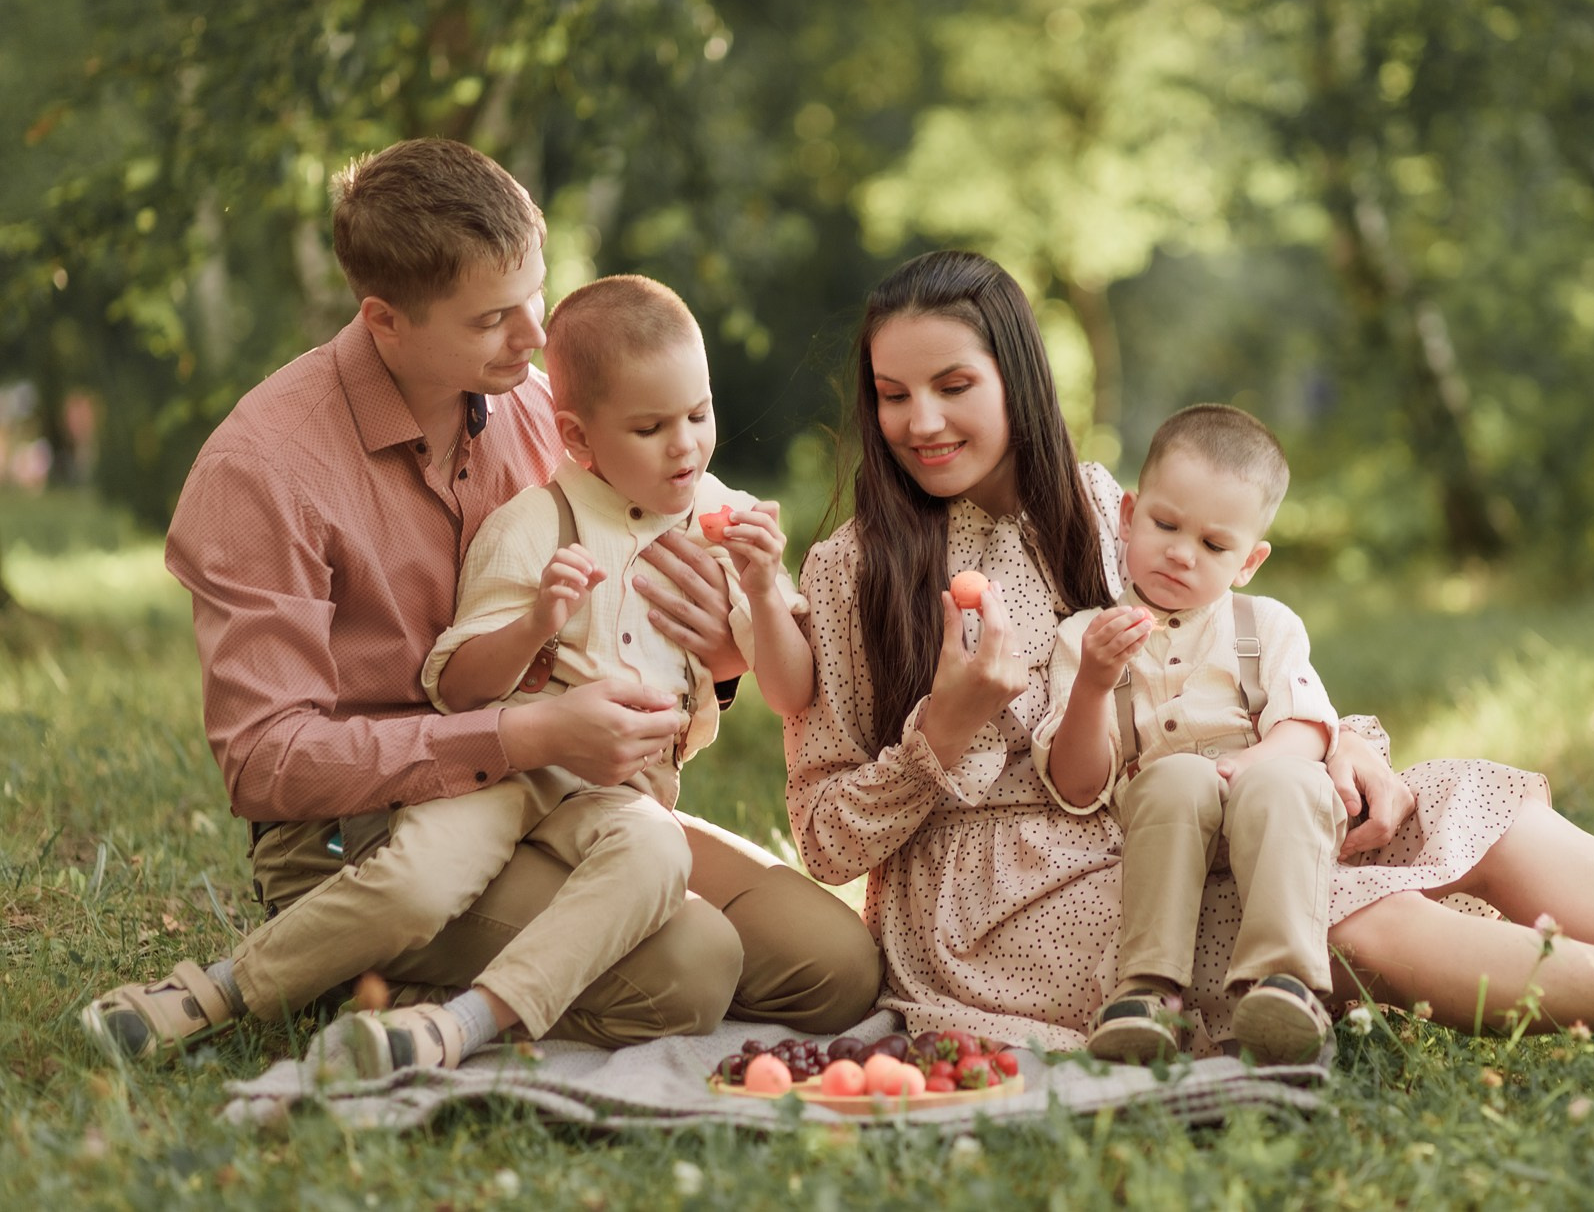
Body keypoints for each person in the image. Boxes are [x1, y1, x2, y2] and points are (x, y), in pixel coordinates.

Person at [782, 247, 1594, 1066]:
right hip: (998, 918)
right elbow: (824, 836)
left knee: (1464, 805)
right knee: (1349, 911)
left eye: (952, 384)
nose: (921, 421)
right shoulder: (847, 571)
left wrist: (1338, 742)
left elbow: (1240, 657)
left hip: (1181, 807)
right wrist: (943, 729)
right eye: (892, 395)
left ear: (1018, 378)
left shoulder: (1106, 507)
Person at [79, 138, 878, 1069]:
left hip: (574, 795)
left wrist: (723, 644)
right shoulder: (263, 470)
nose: (536, 337)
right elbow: (267, 763)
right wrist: (522, 737)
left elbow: (703, 590)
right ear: (385, 319)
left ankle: (475, 966)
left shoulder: (548, 408)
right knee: (692, 969)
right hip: (362, 837)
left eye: (535, 296)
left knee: (834, 966)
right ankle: (362, 977)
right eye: (494, 317)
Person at [306, 273, 818, 1075]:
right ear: (578, 440)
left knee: (838, 971)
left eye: (699, 414)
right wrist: (540, 622)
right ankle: (453, 1005)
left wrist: (757, 589)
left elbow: (793, 690)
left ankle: (581, 956)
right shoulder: (537, 524)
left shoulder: (723, 514)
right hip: (520, 791)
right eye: (652, 428)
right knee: (697, 963)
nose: (685, 444)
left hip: (632, 811)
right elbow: (457, 684)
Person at [1037, 404, 1343, 1065]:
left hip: (1261, 794)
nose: (1180, 553)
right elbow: (1078, 784)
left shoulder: (1267, 624)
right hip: (1164, 811)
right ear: (1127, 514)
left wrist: (1254, 760)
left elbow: (1309, 726)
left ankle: (1285, 983)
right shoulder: (1082, 636)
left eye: (1213, 545)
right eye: (1165, 524)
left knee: (1290, 776)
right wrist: (1093, 680)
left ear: (1249, 560)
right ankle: (1147, 992)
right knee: (1175, 775)